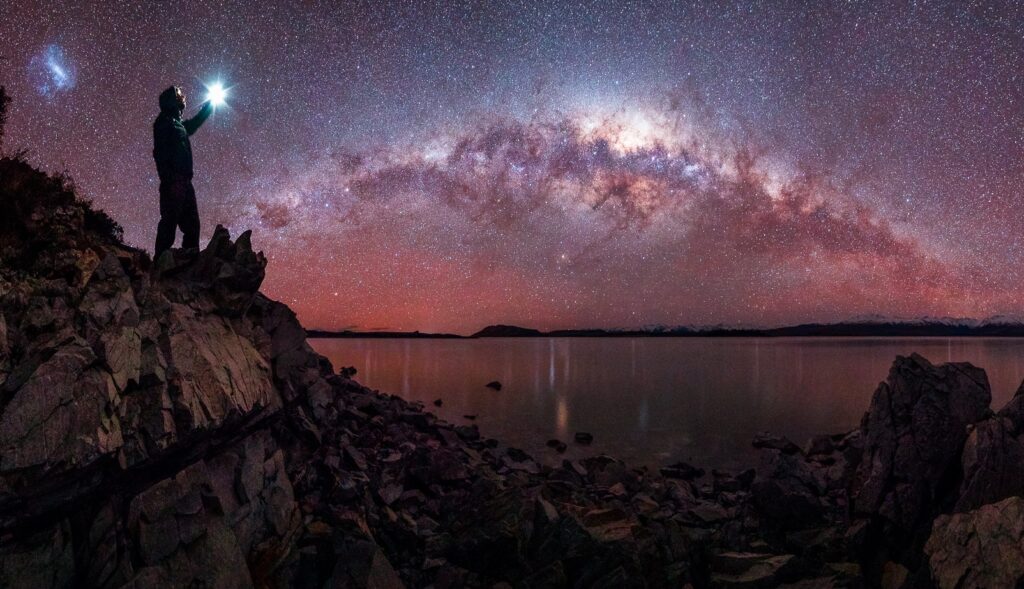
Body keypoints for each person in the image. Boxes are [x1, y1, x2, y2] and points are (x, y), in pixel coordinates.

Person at [153, 85, 213, 258]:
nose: (182, 98)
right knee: (169, 221)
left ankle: (189, 262)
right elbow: (159, 153)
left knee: (192, 225)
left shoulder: (179, 125)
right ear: (171, 101)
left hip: (186, 182)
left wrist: (208, 106)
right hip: (173, 180)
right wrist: (168, 177)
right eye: (179, 96)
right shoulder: (163, 123)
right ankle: (160, 263)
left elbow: (193, 124)